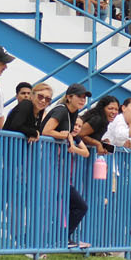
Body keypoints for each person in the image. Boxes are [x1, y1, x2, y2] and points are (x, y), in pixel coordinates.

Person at [41, 83, 92, 248]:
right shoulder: (61, 110)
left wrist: (68, 137)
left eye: (85, 98)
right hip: (46, 166)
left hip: (56, 169)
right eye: (79, 97)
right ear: (69, 97)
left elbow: (70, 137)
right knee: (72, 206)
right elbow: (46, 131)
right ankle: (55, 239)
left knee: (78, 206)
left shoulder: (73, 113)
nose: (83, 100)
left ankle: (61, 238)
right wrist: (64, 135)